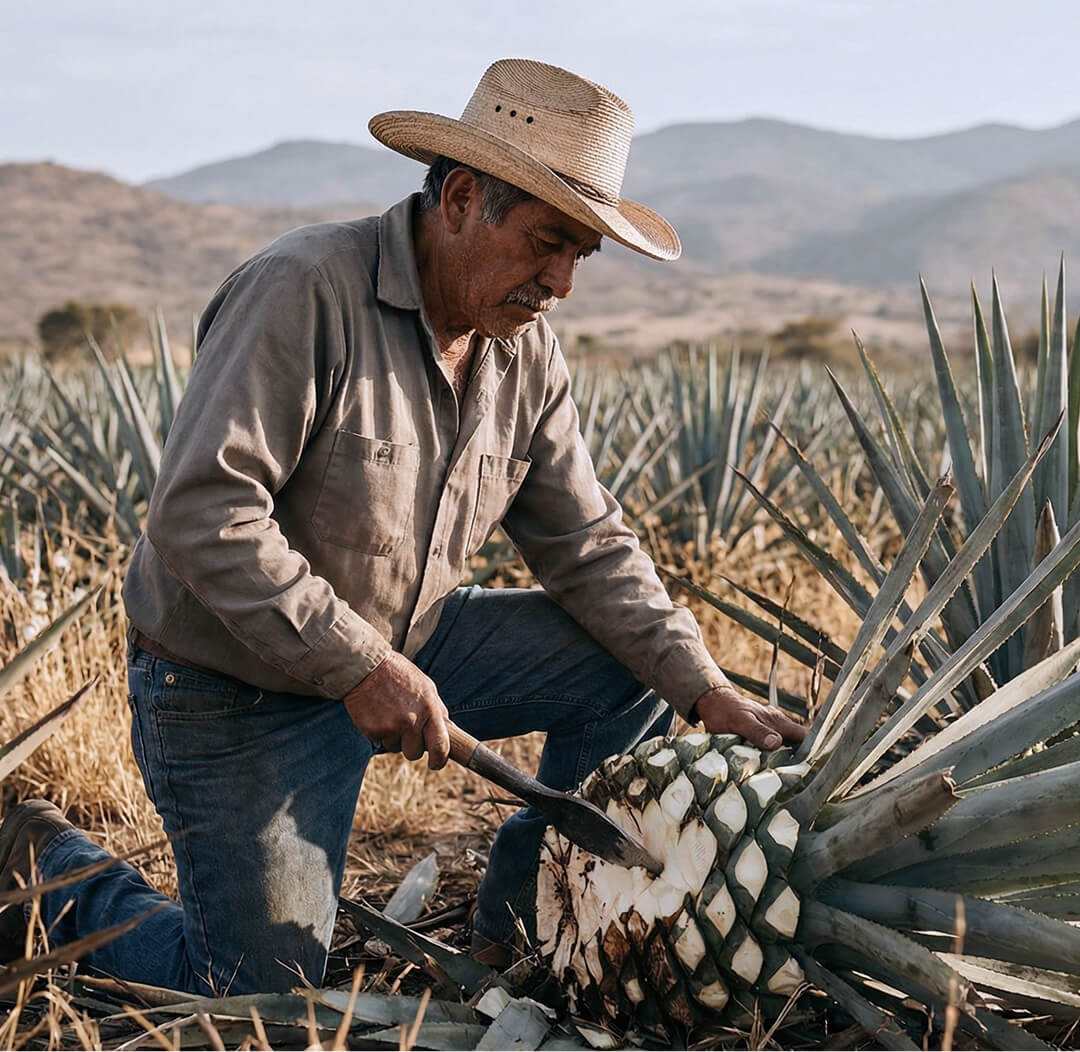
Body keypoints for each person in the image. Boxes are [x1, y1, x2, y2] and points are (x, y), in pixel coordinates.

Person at [0, 58, 804, 992]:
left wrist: (702, 687)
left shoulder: (522, 350)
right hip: (236, 687)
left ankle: (524, 922)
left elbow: (587, 542)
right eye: (548, 241)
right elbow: (201, 511)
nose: (562, 282)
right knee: (260, 1000)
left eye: (581, 253)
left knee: (633, 667)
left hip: (411, 645)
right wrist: (359, 665)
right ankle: (42, 866)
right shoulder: (303, 291)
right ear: (461, 197)